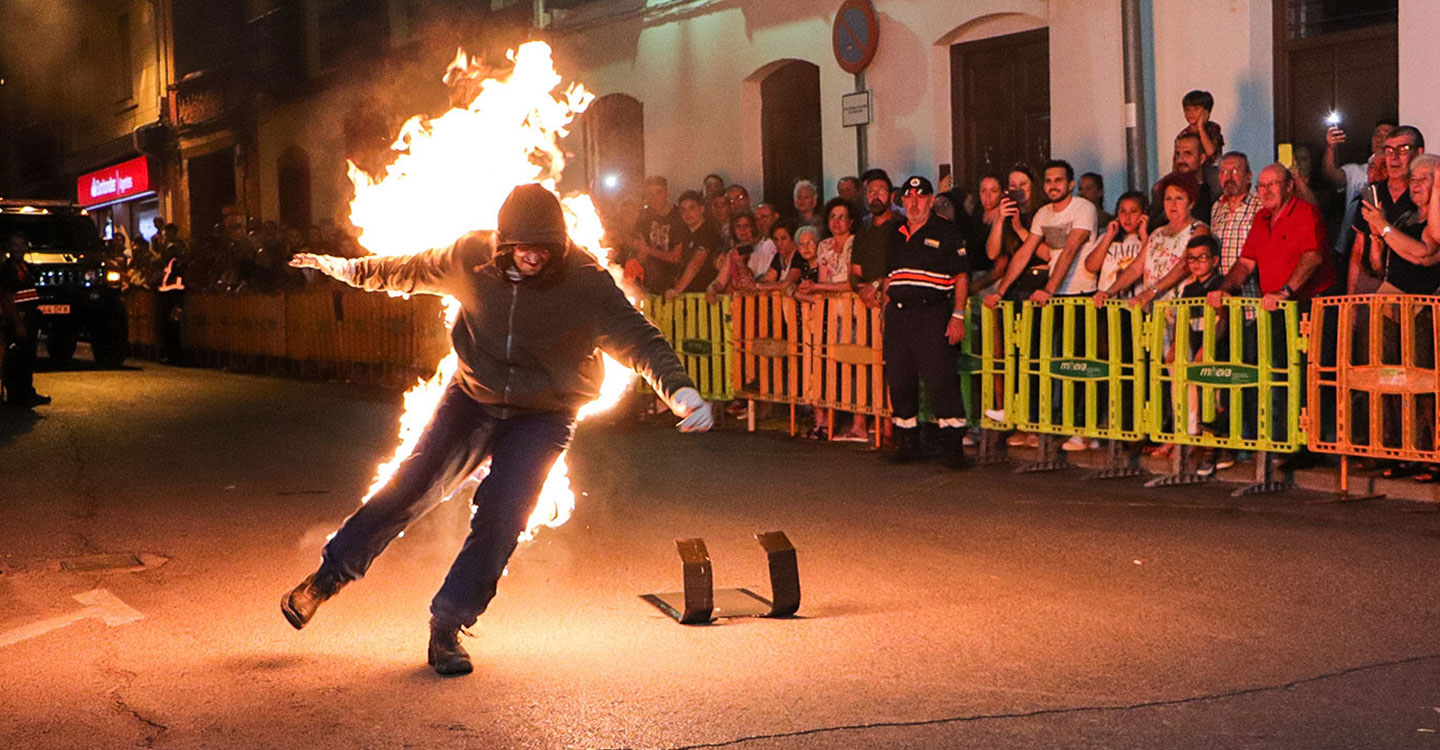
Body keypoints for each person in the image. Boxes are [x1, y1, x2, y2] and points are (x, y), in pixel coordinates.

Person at [282, 183, 713, 676]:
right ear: (504, 242)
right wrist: (348, 270)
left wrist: (678, 390)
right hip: (471, 399)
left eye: (544, 248)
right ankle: (326, 579)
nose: (533, 257)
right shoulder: (470, 257)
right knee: (412, 485)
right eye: (523, 246)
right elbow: (407, 270)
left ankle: (447, 627)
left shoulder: (584, 280)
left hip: (544, 413)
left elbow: (640, 339)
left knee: (504, 513)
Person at [882, 175, 970, 468]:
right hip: (898, 316)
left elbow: (961, 277)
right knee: (900, 379)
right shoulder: (895, 232)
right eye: (909, 198)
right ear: (903, 201)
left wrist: (957, 316)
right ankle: (907, 442)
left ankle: (953, 448)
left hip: (932, 314)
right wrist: (884, 308)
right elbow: (889, 277)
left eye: (921, 198)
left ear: (931, 201)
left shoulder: (946, 231)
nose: (914, 203)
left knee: (940, 379)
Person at [1096, 171, 1210, 308]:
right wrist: (1109, 292)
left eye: (1179, 198)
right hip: (1156, 311)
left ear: (1191, 203)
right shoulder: (1157, 233)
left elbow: (1184, 266)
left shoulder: (1198, 229)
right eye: (1168, 199)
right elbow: (1136, 268)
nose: (1172, 204)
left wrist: (1151, 292)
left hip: (1186, 309)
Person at [1174, 235, 1234, 476]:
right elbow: (1184, 321)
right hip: (1197, 348)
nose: (1197, 263)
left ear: (1215, 260)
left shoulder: (1221, 285)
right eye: (1191, 258)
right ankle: (1203, 448)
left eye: (1202, 257)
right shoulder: (1189, 289)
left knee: (1218, 400)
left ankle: (1218, 450)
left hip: (1217, 351)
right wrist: (1180, 347)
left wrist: (1207, 347)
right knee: (1200, 400)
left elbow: (1223, 318)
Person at [1350, 126, 1425, 295]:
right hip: (1373, 287)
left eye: (1403, 150)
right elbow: (1358, 251)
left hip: (1416, 294)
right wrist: (1351, 302)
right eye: (1389, 150)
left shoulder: (1427, 195)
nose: (1394, 157)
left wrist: (1381, 226)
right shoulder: (1373, 194)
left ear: (1419, 153)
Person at [1323, 118, 1395, 261]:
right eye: (1377, 134)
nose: (1380, 139)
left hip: (1384, 247)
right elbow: (1331, 175)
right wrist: (1330, 147)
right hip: (1348, 246)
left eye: (1386, 134)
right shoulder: (1356, 171)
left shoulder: (1398, 176)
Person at [0, 234, 49, 408]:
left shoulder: (25, 267)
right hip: (17, 321)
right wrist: (17, 323)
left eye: (22, 244)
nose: (20, 248)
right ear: (9, 248)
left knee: (27, 358)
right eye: (15, 244)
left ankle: (27, 392)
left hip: (29, 319)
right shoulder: (8, 270)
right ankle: (17, 395)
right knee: (16, 360)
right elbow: (6, 297)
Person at [1209, 152, 1262, 298]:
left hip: (1252, 296)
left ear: (1249, 176)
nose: (1228, 177)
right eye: (1223, 172)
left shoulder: (1261, 205)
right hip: (1223, 297)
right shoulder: (1216, 207)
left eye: (1235, 171)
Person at [1084, 191, 1149, 301]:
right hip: (1107, 302)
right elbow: (1091, 266)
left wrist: (1144, 236)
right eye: (1122, 211)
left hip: (1135, 302)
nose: (1127, 217)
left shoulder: (1149, 238)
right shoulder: (1108, 237)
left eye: (1133, 211)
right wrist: (1109, 236)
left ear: (1143, 214)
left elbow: (1150, 264)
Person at [851, 169, 902, 308]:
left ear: (891, 197)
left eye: (881, 191)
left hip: (896, 305)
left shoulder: (902, 228)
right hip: (867, 306)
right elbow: (855, 272)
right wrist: (863, 290)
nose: (875, 196)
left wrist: (875, 285)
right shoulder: (862, 232)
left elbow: (903, 270)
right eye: (871, 192)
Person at [631, 176, 685, 294]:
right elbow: (637, 243)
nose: (654, 198)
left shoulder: (678, 217)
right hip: (649, 281)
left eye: (659, 193)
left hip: (673, 281)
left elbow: (676, 257)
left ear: (667, 193)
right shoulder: (644, 215)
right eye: (650, 194)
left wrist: (648, 250)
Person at [1152, 133, 1215, 224]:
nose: (1180, 160)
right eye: (1178, 154)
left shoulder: (1212, 192)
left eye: (1187, 154)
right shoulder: (1162, 190)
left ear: (1202, 159)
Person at [1179, 90, 1225, 171]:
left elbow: (1210, 152)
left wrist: (1201, 128)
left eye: (1196, 109)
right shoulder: (1183, 134)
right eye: (1187, 110)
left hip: (1212, 171)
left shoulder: (1213, 128)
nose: (1191, 113)